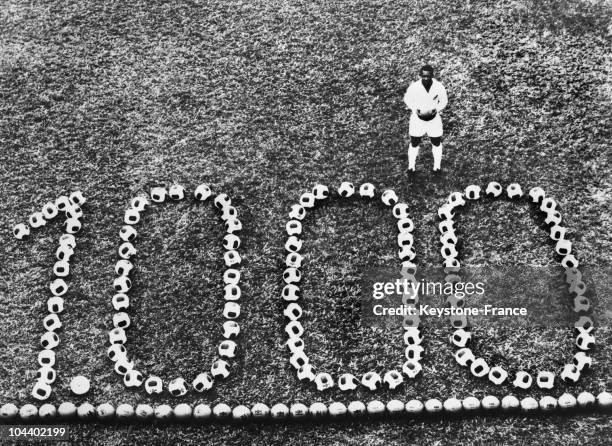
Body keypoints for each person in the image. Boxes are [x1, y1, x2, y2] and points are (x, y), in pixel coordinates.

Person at [403, 65, 448, 171]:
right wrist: (415, 109)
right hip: (418, 120)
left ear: (432, 76)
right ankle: (411, 166)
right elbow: (407, 99)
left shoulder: (438, 86)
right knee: (414, 142)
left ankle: (437, 166)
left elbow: (444, 101)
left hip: (434, 120)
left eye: (428, 76)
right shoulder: (414, 87)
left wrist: (436, 109)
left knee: (436, 142)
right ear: (420, 75)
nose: (426, 78)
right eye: (424, 76)